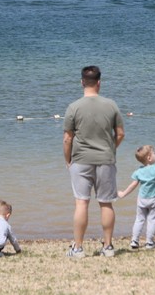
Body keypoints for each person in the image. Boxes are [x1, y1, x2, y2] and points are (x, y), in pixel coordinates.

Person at [63, 65, 125, 258]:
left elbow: (67, 139)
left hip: (81, 160)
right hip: (106, 159)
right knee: (106, 204)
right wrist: (111, 149)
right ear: (99, 82)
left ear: (82, 82)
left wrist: (68, 160)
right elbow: (120, 134)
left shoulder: (73, 107)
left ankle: (78, 248)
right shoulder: (111, 105)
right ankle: (108, 247)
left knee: (81, 203)